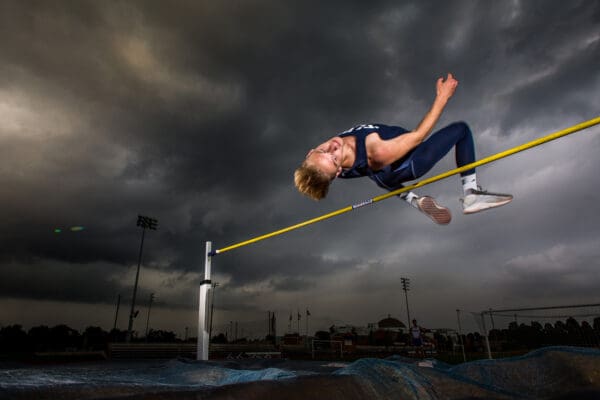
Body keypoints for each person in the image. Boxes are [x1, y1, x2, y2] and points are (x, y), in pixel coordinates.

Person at [294, 73, 512, 224]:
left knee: (380, 175)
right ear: (339, 172)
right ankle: (471, 194)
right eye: (334, 160)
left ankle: (412, 200)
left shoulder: (331, 163)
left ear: (310, 151)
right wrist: (443, 97)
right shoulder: (375, 150)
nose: (332, 148)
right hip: (411, 162)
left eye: (323, 151)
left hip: (384, 174)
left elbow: (323, 174)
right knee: (461, 130)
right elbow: (417, 136)